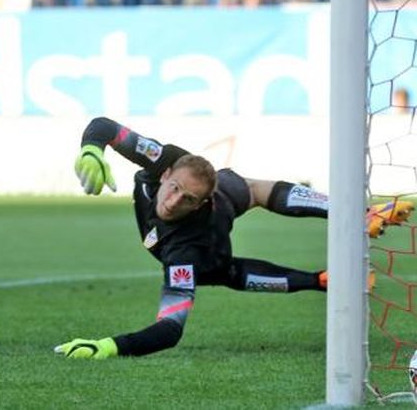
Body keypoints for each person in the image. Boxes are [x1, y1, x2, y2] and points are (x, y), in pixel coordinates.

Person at [54, 117, 413, 359]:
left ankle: (330, 261)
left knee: (224, 272)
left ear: (200, 203)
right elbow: (104, 126)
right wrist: (91, 150)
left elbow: (169, 329)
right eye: (175, 188)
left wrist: (109, 347)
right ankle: (341, 241)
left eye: (187, 199)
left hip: (207, 238)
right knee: (253, 188)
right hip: (219, 185)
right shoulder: (163, 158)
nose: (174, 201)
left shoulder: (185, 252)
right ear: (164, 175)